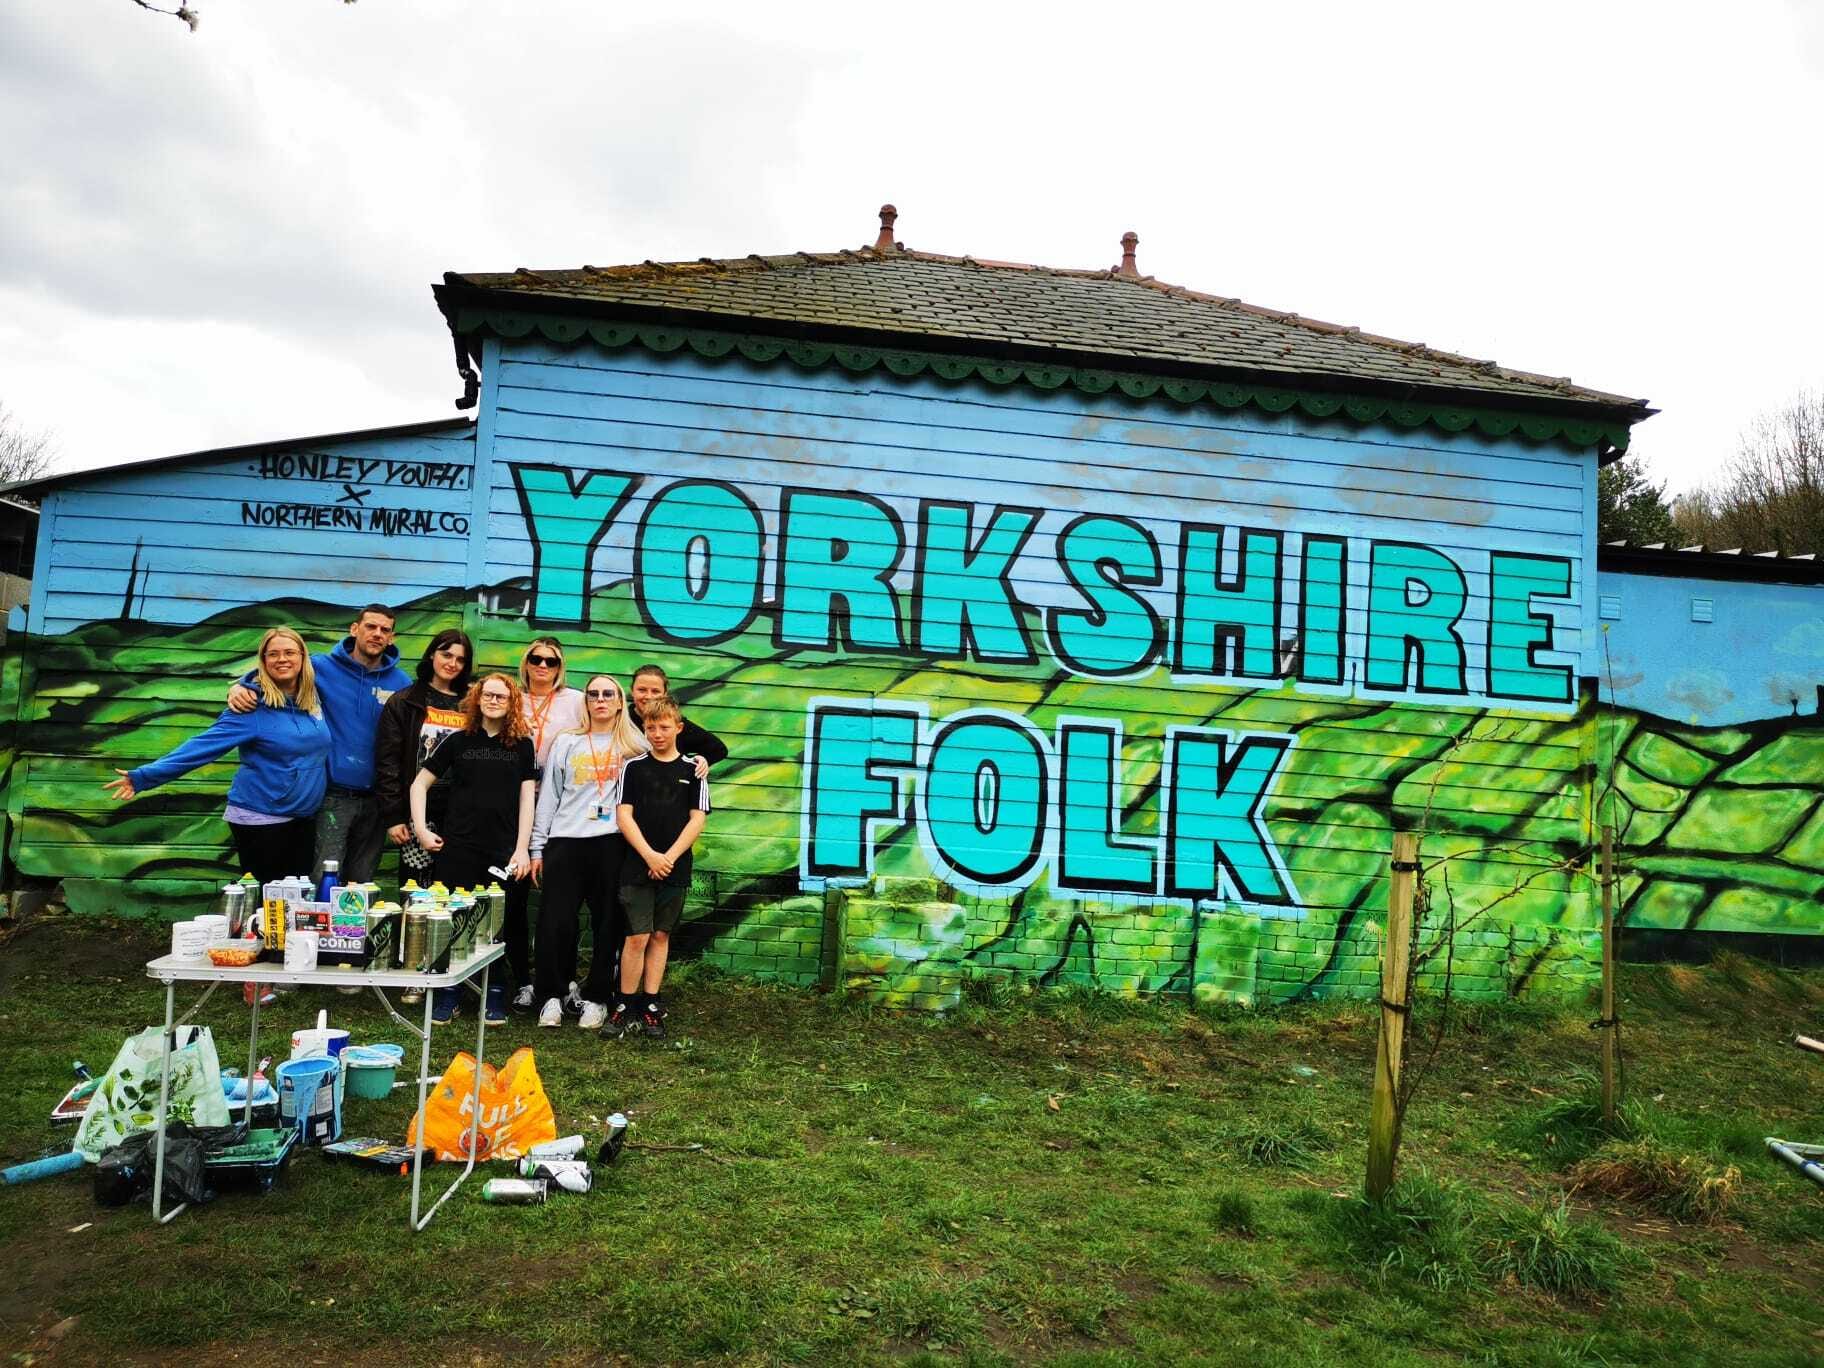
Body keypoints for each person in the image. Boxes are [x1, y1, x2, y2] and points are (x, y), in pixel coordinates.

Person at [104, 627, 331, 886]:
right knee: (269, 902)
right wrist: (144, 777)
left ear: (303, 657)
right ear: (263, 661)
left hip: (302, 817)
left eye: (290, 652)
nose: (282, 659)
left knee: (294, 897)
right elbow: (201, 747)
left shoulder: (312, 699)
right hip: (263, 817)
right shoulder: (250, 707)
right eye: (273, 654)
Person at [228, 604, 410, 884]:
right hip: (332, 796)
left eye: (384, 630)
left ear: (391, 637)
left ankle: (351, 930)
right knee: (323, 880)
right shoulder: (321, 667)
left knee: (359, 884)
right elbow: (280, 669)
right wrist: (242, 685)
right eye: (370, 626)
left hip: (377, 801)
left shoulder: (401, 683)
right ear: (354, 629)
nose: (377, 634)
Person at [410, 673, 535, 1025]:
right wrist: (420, 828)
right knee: (456, 918)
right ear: (477, 699)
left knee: (497, 923)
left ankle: (493, 992)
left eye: (502, 697)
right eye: (488, 695)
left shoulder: (522, 745)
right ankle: (451, 992)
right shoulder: (457, 741)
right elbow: (420, 784)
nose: (494, 701)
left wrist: (522, 849)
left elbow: (528, 799)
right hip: (458, 848)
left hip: (502, 851)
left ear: (512, 704)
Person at [527, 673, 646, 1030]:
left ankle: (597, 997)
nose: (600, 700)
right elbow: (548, 796)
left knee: (607, 924)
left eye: (608, 694)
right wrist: (537, 846)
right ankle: (551, 995)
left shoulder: (634, 744)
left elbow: (668, 761)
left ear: (620, 701)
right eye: (593, 694)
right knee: (554, 922)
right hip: (565, 841)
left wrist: (699, 761)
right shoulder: (567, 742)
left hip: (611, 843)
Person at [600, 694, 710, 1042]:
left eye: (664, 727)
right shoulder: (633, 767)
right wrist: (650, 855)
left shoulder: (694, 770)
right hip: (637, 865)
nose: (657, 733)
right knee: (636, 937)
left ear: (678, 727)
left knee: (660, 935)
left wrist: (669, 858)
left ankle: (650, 1004)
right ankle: (624, 1004)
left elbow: (697, 819)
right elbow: (623, 815)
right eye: (651, 727)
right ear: (643, 729)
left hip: (675, 866)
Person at [374, 628, 473, 1005]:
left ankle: (450, 970)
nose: (452, 663)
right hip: (419, 812)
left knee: (453, 890)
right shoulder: (406, 701)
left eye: (461, 659)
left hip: (461, 813)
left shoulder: (471, 702)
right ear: (432, 655)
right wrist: (394, 815)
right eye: (446, 654)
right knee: (417, 889)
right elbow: (387, 762)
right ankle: (414, 970)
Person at [501, 637, 586, 1011]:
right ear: (526, 662)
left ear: (560, 667)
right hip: (512, 806)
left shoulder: (577, 700)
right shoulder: (510, 697)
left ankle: (564, 978)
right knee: (514, 900)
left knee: (562, 900)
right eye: (535, 659)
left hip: (562, 809)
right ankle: (523, 981)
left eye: (551, 661)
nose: (542, 667)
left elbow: (608, 735)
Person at [629, 663, 728, 767]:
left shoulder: (675, 724)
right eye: (642, 690)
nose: (648, 696)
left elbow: (718, 750)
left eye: (655, 691)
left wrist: (686, 767)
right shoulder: (621, 720)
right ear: (632, 691)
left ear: (665, 693)